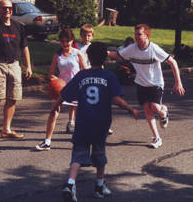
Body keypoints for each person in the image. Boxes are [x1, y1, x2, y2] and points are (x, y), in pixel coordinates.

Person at [55, 42, 140, 201]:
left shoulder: (81, 75)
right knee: (99, 152)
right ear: (105, 59)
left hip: (83, 121)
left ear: (88, 56)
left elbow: (65, 93)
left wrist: (55, 105)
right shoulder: (110, 76)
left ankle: (70, 183)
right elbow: (117, 100)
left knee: (78, 153)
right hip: (101, 122)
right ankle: (99, 186)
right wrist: (130, 109)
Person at [108, 24, 185, 148]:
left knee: (154, 106)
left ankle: (163, 111)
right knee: (147, 109)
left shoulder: (154, 49)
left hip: (155, 83)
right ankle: (157, 138)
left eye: (139, 34)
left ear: (147, 35)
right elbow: (117, 55)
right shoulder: (132, 48)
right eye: (135, 34)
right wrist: (102, 51)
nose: (136, 37)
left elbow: (173, 62)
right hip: (141, 83)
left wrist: (178, 82)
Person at [0, 0, 32, 141]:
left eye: (10, 8)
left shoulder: (19, 27)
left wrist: (28, 66)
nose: (7, 10)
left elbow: (25, 48)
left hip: (15, 65)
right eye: (4, 8)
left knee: (13, 98)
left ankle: (6, 130)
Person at [35, 28, 88, 151]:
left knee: (82, 117)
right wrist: (55, 80)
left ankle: (83, 143)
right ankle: (47, 142)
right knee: (53, 113)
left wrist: (78, 81)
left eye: (67, 41)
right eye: (63, 41)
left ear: (72, 40)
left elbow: (86, 72)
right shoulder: (57, 55)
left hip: (76, 89)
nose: (65, 44)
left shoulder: (78, 53)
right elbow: (50, 74)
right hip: (61, 90)